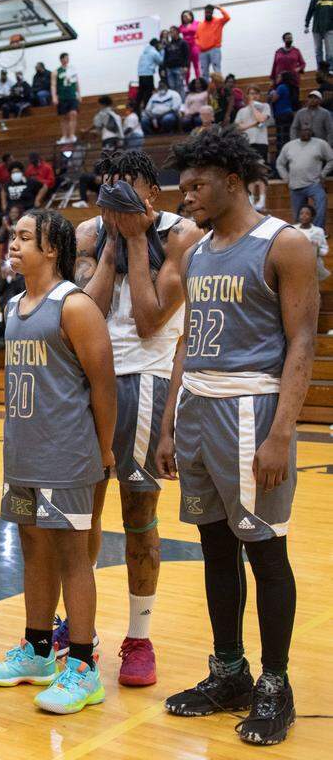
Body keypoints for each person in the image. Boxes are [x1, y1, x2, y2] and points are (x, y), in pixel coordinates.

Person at [158, 126, 316, 746]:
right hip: (198, 408)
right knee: (215, 548)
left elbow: (302, 340)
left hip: (253, 410)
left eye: (197, 186)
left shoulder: (286, 243)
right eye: (184, 186)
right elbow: (186, 340)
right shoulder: (194, 251)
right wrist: (171, 419)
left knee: (265, 551)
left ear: (232, 181)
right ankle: (229, 672)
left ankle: (275, 685)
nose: (187, 197)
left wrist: (282, 433)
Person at [0, 209, 115, 715]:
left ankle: (83, 666)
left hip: (69, 454)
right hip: (24, 453)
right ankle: (36, 651)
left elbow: (103, 384)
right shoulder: (14, 306)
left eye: (25, 237)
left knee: (74, 556)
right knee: (32, 548)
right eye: (13, 235)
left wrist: (103, 452)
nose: (13, 243)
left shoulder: (74, 306)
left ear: (52, 249)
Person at [73, 150, 202, 688]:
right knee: (83, 516)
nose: (117, 196)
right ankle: (79, 632)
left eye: (128, 187)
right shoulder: (86, 234)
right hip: (89, 380)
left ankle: (139, 638)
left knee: (140, 518)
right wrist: (111, 241)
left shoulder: (181, 235)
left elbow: (150, 321)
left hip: (145, 381)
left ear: (153, 193)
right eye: (110, 187)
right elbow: (87, 310)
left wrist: (132, 237)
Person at [276, 125, 333, 226]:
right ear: (298, 132)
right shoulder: (289, 145)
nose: (306, 132)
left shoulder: (320, 143)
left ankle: (318, 231)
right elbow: (279, 163)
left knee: (321, 204)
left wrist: (323, 174)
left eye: (308, 130)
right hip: (295, 185)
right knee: (298, 215)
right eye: (303, 130)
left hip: (314, 184)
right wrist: (286, 177)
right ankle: (301, 235)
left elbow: (331, 159)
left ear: (312, 132)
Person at [235, 86, 273, 165]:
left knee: (261, 168)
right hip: (246, 143)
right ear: (247, 95)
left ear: (259, 95)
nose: (254, 96)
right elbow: (238, 128)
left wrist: (253, 106)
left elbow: (261, 119)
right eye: (252, 94)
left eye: (256, 93)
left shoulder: (265, 106)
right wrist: (255, 123)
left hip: (261, 142)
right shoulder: (241, 111)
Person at [294, 204, 330, 282]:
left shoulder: (318, 231)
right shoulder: (293, 229)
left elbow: (324, 248)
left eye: (307, 214)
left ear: (312, 217)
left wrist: (317, 250)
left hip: (313, 263)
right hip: (296, 261)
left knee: (312, 282)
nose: (304, 216)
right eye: (301, 213)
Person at [271, 33, 305, 111]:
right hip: (280, 80)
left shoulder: (296, 51)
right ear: (284, 40)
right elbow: (274, 65)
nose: (289, 39)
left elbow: (303, 64)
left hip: (293, 80)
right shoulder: (278, 52)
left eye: (290, 38)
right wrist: (272, 80)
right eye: (287, 38)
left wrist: (298, 69)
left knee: (294, 101)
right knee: (280, 100)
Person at [52, 53, 80, 144]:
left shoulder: (72, 70)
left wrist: (79, 94)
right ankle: (64, 136)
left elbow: (76, 82)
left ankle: (72, 135)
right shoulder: (56, 71)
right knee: (63, 117)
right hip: (62, 96)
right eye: (65, 58)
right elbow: (53, 85)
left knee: (73, 114)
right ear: (61, 59)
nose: (67, 60)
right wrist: (54, 96)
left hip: (72, 95)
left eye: (68, 58)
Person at [196, 4, 229, 78]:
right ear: (204, 13)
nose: (208, 14)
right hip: (203, 52)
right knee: (204, 72)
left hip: (214, 49)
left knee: (216, 69)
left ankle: (219, 88)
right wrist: (199, 45)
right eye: (206, 12)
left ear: (212, 13)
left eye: (209, 12)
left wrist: (220, 8)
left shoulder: (218, 21)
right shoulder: (200, 25)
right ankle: (207, 88)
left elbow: (227, 17)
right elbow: (196, 37)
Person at [304, 0, 333, 65]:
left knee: (330, 51)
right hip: (317, 29)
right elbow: (309, 12)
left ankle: (330, 68)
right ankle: (320, 69)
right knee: (318, 50)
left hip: (329, 29)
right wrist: (306, 25)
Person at [270, 73, 296, 157]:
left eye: (278, 77)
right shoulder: (286, 86)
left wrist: (271, 91)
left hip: (282, 114)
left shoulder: (281, 87)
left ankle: (283, 155)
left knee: (281, 137)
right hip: (287, 113)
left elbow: (273, 99)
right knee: (286, 136)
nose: (276, 78)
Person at [162, 25, 190, 100]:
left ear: (177, 32)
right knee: (171, 87)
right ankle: (175, 102)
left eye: (172, 31)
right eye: (170, 32)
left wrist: (186, 66)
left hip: (179, 68)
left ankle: (182, 104)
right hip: (169, 69)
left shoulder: (183, 42)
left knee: (180, 86)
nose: (171, 33)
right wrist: (164, 69)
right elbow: (165, 57)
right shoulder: (168, 45)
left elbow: (187, 55)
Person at [137, 38, 162, 111]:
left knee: (141, 92)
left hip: (141, 74)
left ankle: (136, 108)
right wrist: (161, 51)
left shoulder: (144, 52)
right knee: (148, 92)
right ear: (156, 44)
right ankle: (147, 108)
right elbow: (160, 61)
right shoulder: (154, 52)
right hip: (148, 74)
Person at [179, 10, 201, 81]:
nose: (184, 18)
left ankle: (199, 82)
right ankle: (186, 84)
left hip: (194, 46)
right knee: (187, 67)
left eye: (186, 16)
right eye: (183, 17)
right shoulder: (181, 26)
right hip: (185, 49)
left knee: (196, 66)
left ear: (191, 16)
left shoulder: (197, 23)